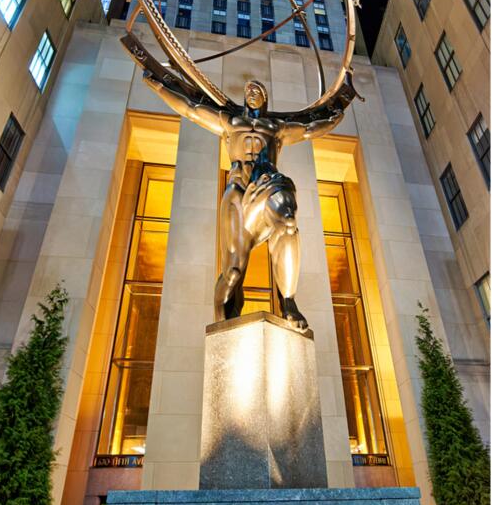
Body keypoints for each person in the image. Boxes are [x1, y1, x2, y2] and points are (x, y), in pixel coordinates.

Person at [142, 69, 358, 329]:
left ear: (265, 99)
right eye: (248, 91)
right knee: (233, 272)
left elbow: (313, 127)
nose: (252, 92)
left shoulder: (276, 128)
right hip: (237, 192)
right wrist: (159, 85)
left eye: (258, 90)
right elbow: (190, 108)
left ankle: (288, 302)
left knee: (287, 220)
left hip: (265, 186)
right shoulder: (229, 121)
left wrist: (342, 103)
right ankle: (222, 320)